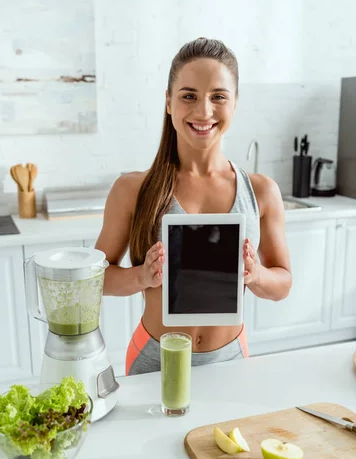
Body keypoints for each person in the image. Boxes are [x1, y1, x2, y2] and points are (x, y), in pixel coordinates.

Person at [95, 37, 292, 375]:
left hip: (229, 360)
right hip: (155, 358)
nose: (204, 111)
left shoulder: (261, 191)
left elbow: (283, 283)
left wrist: (255, 274)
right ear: (169, 102)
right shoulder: (132, 189)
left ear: (235, 104)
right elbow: (96, 278)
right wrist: (142, 276)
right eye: (189, 96)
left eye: (218, 97)